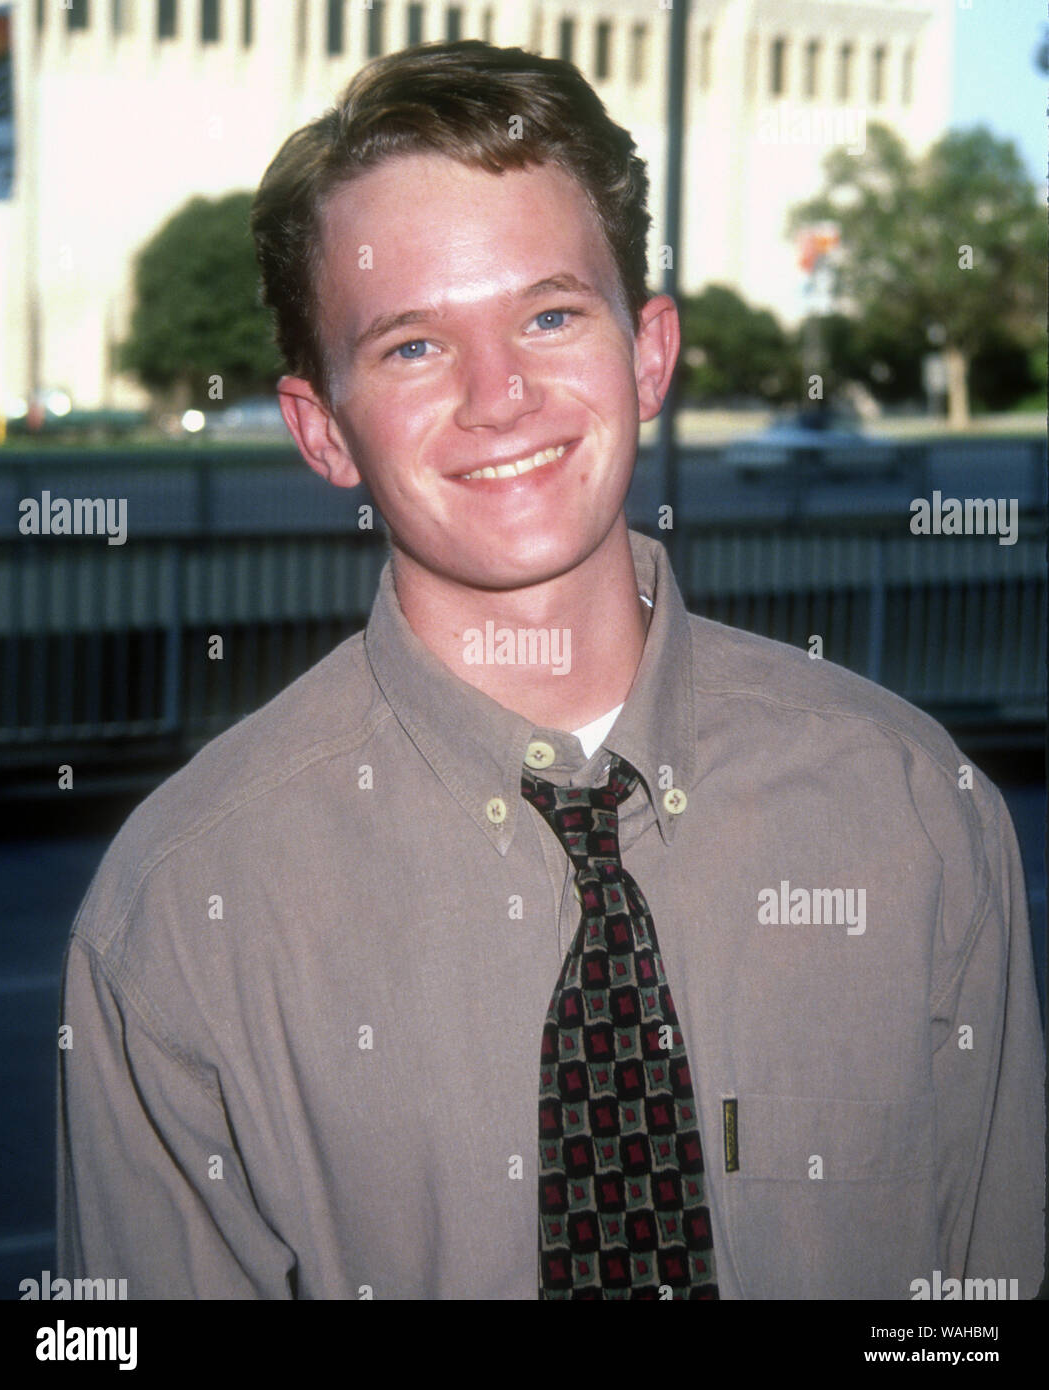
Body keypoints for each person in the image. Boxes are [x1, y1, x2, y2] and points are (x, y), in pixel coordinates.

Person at [58, 40, 1044, 1300]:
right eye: (414, 346)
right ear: (321, 431)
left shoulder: (917, 815)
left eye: (548, 313)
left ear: (647, 355)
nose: (499, 396)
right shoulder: (176, 917)